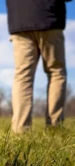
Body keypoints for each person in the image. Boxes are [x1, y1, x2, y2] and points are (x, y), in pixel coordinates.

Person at [6, 0, 72, 133]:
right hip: (49, 16)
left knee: (22, 76)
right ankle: (55, 128)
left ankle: (20, 130)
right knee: (56, 72)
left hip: (20, 18)